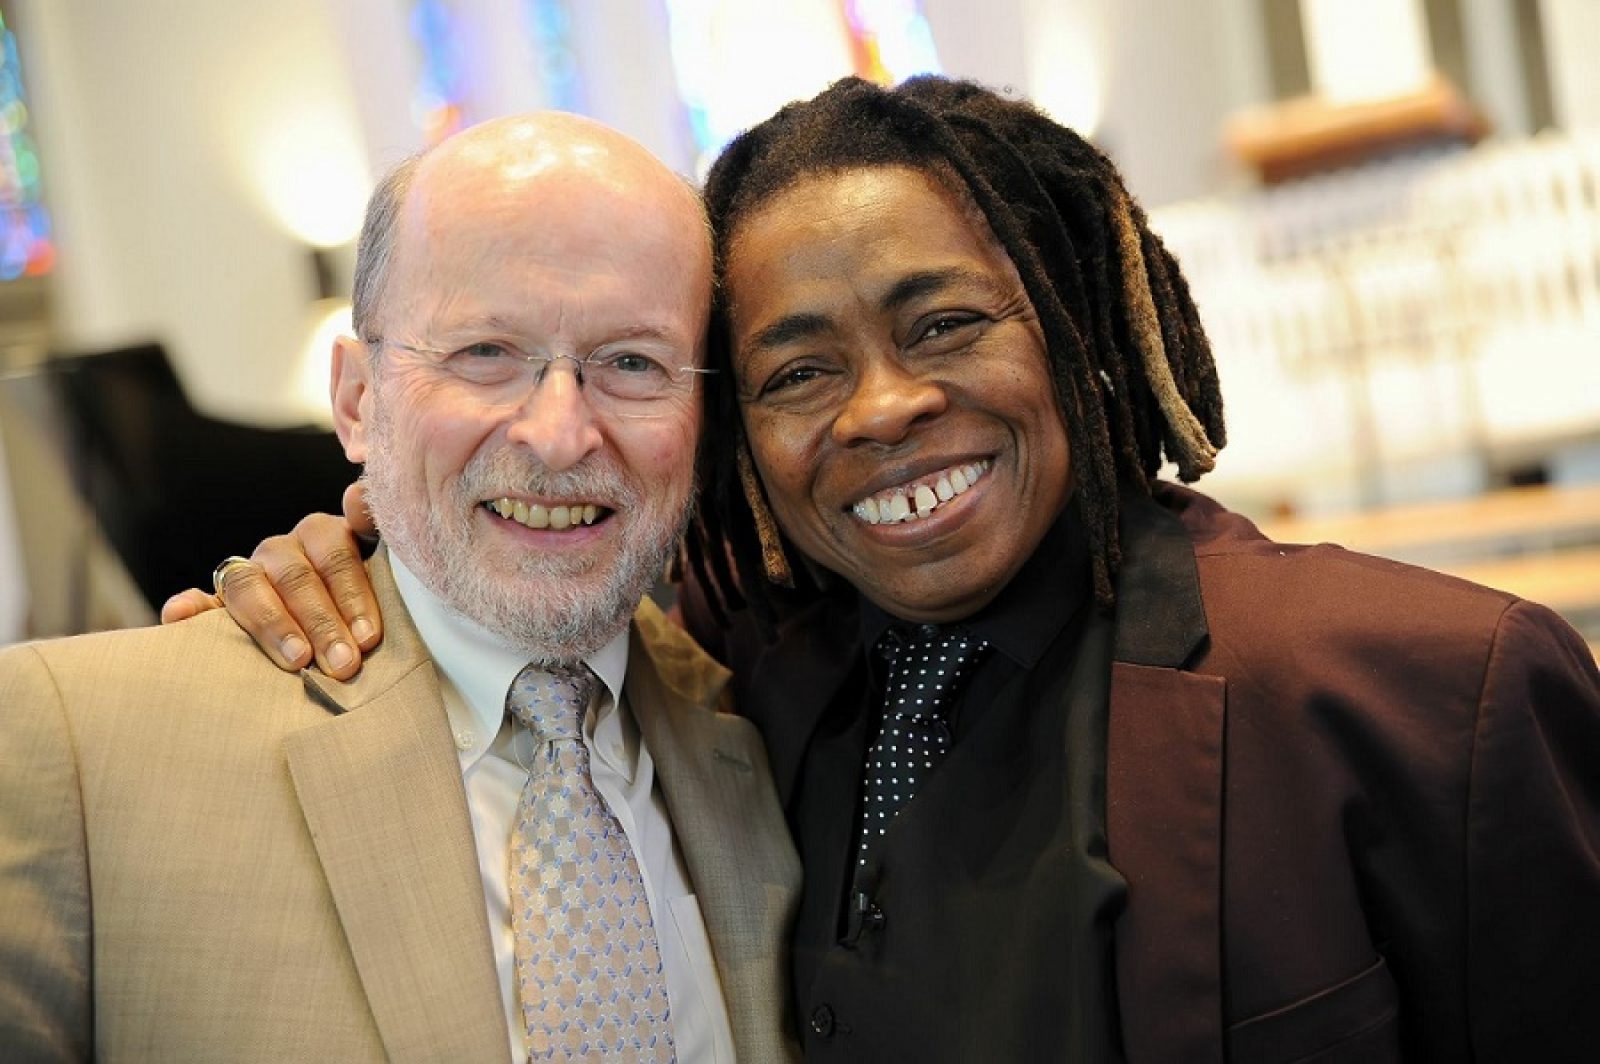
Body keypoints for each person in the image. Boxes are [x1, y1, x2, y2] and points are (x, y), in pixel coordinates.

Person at [167, 77, 1600, 1062]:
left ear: (1073, 324)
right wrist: (356, 559)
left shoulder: (1425, 693)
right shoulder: (739, 679)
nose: (881, 408)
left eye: (945, 324)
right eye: (798, 369)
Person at [0, 112, 801, 1063]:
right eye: (485, 353)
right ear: (356, 400)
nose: (558, 435)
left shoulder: (766, 725)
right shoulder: (79, 744)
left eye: (633, 362)